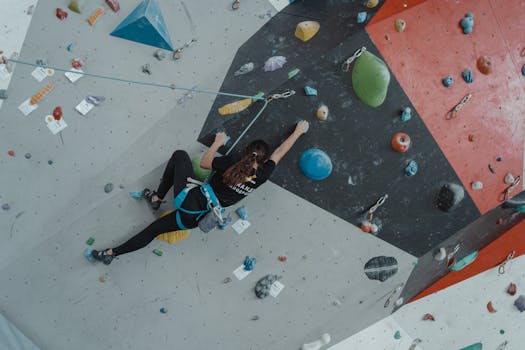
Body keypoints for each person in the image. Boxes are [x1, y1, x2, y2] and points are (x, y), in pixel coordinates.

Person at [91, 121, 310, 265]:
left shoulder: (233, 161)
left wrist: (217, 143)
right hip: (195, 219)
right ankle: (111, 254)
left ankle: (158, 197)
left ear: (246, 152)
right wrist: (298, 132)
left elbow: (205, 162)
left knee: (180, 156)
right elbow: (280, 152)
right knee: (152, 231)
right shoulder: (262, 175)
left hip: (188, 199)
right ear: (262, 162)